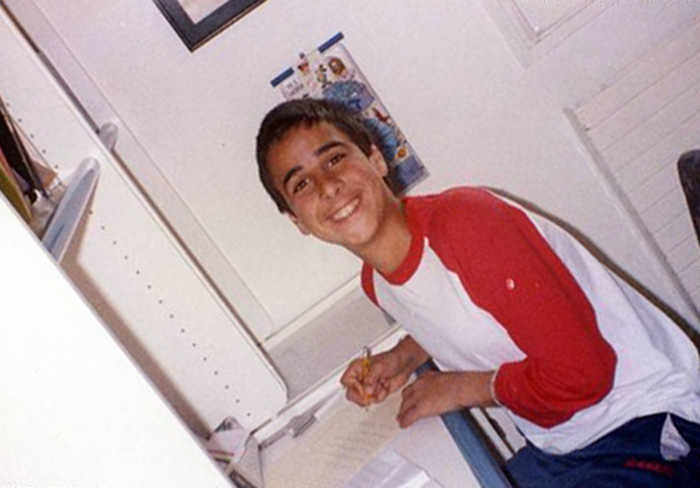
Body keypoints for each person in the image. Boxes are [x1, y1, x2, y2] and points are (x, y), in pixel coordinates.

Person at [255, 98, 700, 487]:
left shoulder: (468, 224)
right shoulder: (377, 282)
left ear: (376, 158)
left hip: (649, 419)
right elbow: (465, 308)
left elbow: (584, 375)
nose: (328, 186)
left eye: (334, 159)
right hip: (564, 440)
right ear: (297, 220)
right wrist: (404, 356)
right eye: (301, 184)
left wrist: (460, 389)